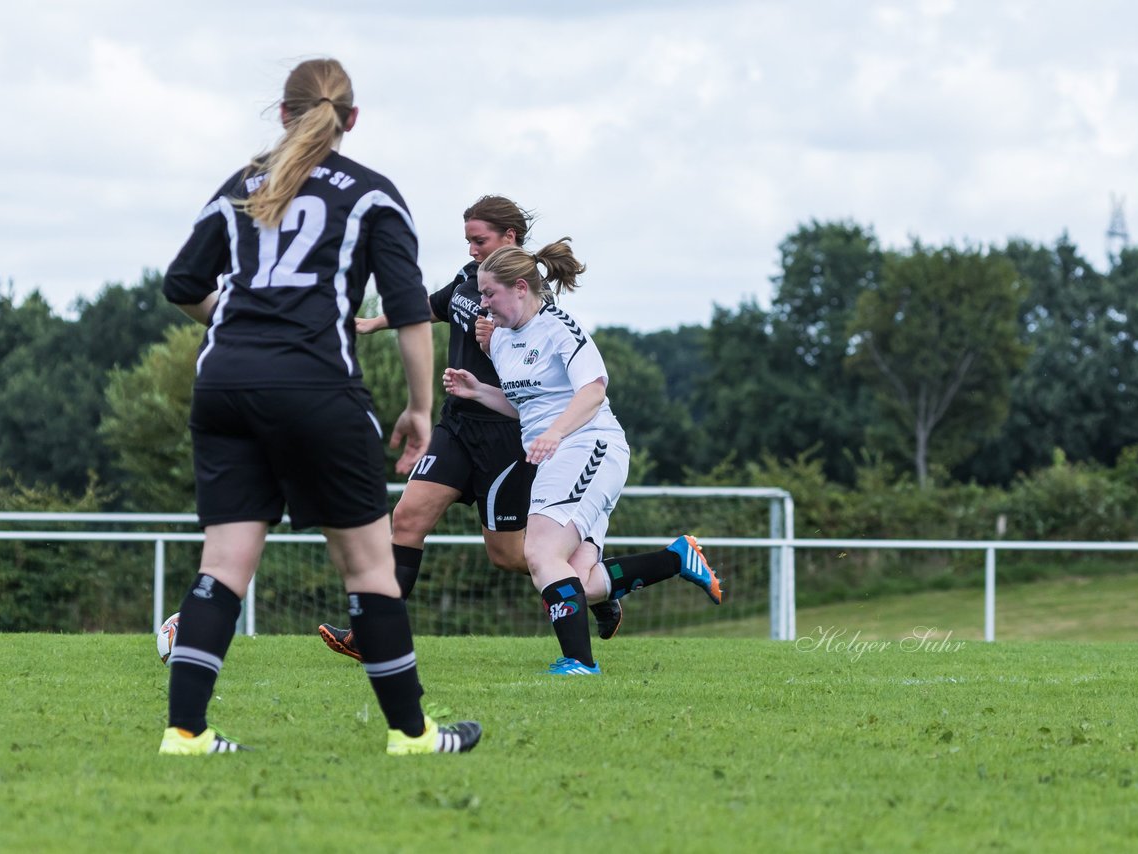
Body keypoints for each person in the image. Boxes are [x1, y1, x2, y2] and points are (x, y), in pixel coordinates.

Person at [158, 57, 480, 756]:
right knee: (369, 568)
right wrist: (421, 409)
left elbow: (181, 283)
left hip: (224, 387)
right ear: (352, 120)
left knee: (223, 566)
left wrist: (236, 321)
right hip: (314, 388)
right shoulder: (373, 197)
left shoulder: (244, 183)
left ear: (282, 114)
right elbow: (408, 314)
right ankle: (413, 735)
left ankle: (184, 733)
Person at [317, 198, 623, 660]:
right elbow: (430, 307)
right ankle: (372, 634)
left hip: (506, 437)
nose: (472, 249)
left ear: (510, 239)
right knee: (406, 517)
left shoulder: (528, 302)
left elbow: (570, 383)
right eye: (468, 241)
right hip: (457, 425)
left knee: (511, 556)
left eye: (479, 240)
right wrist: (374, 322)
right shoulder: (469, 281)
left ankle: (594, 588)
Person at [443, 241, 723, 674]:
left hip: (589, 445)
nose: (483, 304)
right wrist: (478, 391)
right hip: (557, 454)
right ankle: (677, 558)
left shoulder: (559, 328)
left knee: (538, 551)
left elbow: (593, 391)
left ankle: (578, 662)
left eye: (488, 293)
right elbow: (530, 406)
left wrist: (555, 434)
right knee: (582, 581)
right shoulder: (501, 341)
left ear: (520, 288)